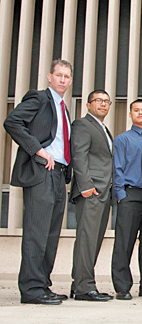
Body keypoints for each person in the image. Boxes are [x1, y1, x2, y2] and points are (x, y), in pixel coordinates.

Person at [4, 59, 73, 305]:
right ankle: (31, 289)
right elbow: (12, 121)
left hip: (58, 174)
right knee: (37, 232)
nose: (63, 80)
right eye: (59, 75)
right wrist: (37, 150)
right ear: (49, 77)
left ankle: (42, 284)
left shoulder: (64, 107)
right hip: (41, 171)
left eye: (67, 76)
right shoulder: (39, 98)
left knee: (51, 233)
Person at [70, 90, 114, 301]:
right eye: (99, 101)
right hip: (91, 191)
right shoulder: (82, 125)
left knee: (94, 240)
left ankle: (80, 283)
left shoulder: (103, 128)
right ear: (88, 105)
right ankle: (84, 287)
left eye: (107, 101)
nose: (103, 104)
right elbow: (79, 155)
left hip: (104, 192)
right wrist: (86, 185)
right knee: (87, 239)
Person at [111, 99, 142, 300]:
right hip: (130, 194)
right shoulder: (122, 139)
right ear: (130, 114)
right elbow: (117, 168)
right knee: (124, 242)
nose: (140, 113)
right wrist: (121, 195)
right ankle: (122, 287)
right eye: (136, 110)